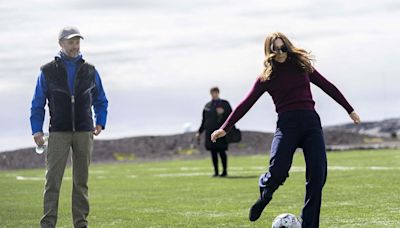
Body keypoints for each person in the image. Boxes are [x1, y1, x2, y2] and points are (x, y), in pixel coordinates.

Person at [211, 32, 360, 227]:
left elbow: (327, 86)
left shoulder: (301, 66)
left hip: (311, 124)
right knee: (278, 171)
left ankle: (309, 224)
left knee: (317, 176)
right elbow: (246, 103)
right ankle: (265, 193)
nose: (280, 52)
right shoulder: (266, 77)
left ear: (288, 47)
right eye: (276, 49)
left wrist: (350, 110)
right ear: (269, 51)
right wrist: (225, 128)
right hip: (286, 126)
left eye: (283, 48)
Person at [30, 26, 108, 228]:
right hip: (58, 132)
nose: (74, 46)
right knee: (52, 181)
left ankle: (81, 223)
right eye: (70, 42)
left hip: (84, 131)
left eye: (77, 42)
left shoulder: (90, 70)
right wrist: (36, 129)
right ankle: (48, 224)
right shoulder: (47, 71)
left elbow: (101, 99)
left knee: (81, 182)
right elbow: (37, 103)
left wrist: (100, 121)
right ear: (61, 44)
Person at [196, 87, 232, 177]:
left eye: (215, 92)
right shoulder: (207, 106)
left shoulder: (225, 104)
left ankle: (224, 172)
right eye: (212, 93)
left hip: (221, 132)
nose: (214, 94)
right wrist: (199, 132)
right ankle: (216, 172)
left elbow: (231, 116)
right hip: (210, 132)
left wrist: (223, 112)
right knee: (213, 152)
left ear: (218, 93)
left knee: (222, 151)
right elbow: (204, 121)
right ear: (210, 94)